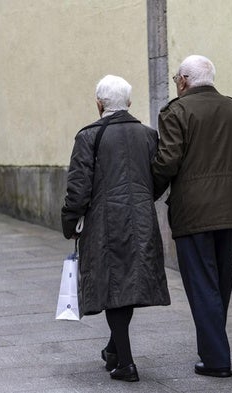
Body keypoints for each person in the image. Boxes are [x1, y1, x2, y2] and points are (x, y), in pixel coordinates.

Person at [152, 55, 232, 377]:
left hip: (194, 215)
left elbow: (167, 161)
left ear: (183, 81)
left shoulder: (176, 112)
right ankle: (213, 346)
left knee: (203, 285)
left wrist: (148, 191)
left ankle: (217, 359)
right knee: (219, 281)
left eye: (177, 78)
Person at [61, 75, 170, 382]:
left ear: (99, 103)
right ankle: (113, 350)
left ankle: (126, 362)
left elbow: (78, 187)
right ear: (130, 103)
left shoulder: (88, 137)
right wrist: (145, 196)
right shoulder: (148, 135)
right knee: (128, 283)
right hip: (141, 220)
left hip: (105, 223)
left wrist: (70, 222)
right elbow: (159, 175)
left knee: (114, 287)